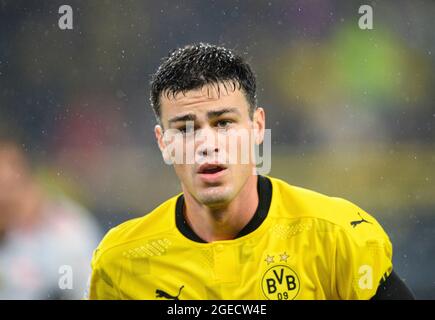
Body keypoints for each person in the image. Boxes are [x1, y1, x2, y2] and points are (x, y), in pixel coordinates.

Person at [88, 43, 414, 300]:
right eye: (185, 129)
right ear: (163, 143)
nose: (206, 144)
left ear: (258, 127)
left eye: (224, 123)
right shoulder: (121, 263)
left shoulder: (337, 238)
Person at [0, 140, 101, 299]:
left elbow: (77, 289)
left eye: (8, 186)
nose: (3, 197)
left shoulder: (66, 233)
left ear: (28, 182)